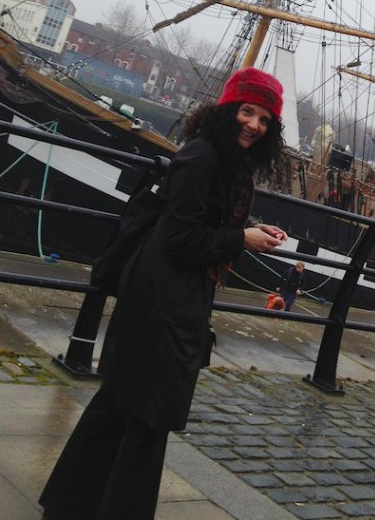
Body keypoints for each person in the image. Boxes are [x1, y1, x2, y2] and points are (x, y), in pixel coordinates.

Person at [39, 67, 288, 520]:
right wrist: (241, 240)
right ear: (227, 108)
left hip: (167, 289)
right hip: (164, 296)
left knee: (120, 402)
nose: (253, 124)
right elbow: (181, 238)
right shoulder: (203, 158)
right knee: (150, 415)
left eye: (264, 119)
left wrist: (248, 230)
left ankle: (68, 503)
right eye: (247, 112)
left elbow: (198, 224)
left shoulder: (228, 161)